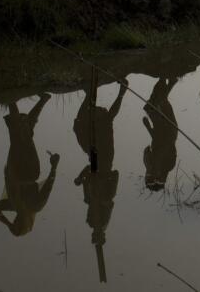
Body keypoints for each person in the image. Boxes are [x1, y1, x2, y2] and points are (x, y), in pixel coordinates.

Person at [72, 77, 126, 284]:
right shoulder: (106, 202)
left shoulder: (91, 209)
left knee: (81, 126)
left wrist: (81, 178)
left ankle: (89, 96)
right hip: (104, 159)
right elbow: (114, 175)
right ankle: (120, 92)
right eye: (98, 235)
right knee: (102, 122)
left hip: (95, 158)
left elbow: (88, 174)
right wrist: (99, 192)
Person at [0, 94, 59, 236]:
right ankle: (11, 99)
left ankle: (41, 99)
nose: (15, 220)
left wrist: (8, 224)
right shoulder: (34, 206)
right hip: (29, 170)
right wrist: (54, 167)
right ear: (27, 222)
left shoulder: (14, 205)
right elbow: (48, 187)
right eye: (17, 222)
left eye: (14, 222)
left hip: (17, 169)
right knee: (21, 133)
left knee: (23, 133)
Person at [142, 77, 178, 190]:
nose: (153, 175)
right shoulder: (169, 165)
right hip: (169, 129)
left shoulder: (150, 165)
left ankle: (168, 80)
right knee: (158, 102)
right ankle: (165, 79)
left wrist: (148, 127)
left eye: (149, 178)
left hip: (158, 129)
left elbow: (150, 146)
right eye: (156, 178)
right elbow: (167, 144)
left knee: (150, 105)